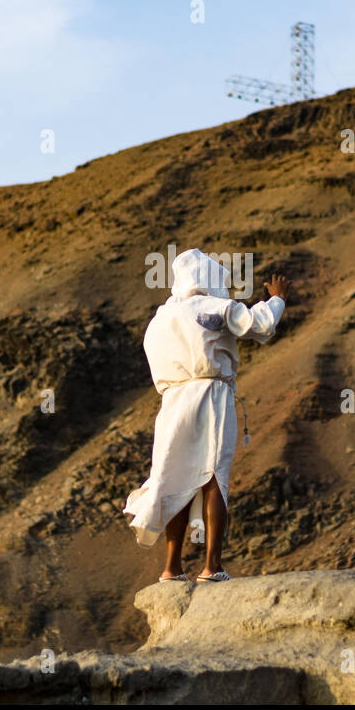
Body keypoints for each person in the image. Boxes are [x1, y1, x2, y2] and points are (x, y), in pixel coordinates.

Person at [124, 248, 291, 583]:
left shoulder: (160, 319)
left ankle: (172, 568)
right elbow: (259, 325)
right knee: (213, 475)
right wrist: (277, 300)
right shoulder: (215, 307)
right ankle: (211, 566)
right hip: (210, 394)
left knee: (174, 476)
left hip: (171, 400)